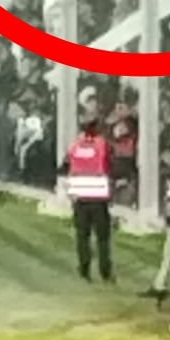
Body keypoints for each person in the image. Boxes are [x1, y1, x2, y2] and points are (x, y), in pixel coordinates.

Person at [62, 117, 114, 281]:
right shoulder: (102, 144)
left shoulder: (75, 146)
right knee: (103, 237)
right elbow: (108, 163)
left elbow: (65, 164)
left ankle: (84, 269)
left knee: (82, 235)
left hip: (80, 196)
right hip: (98, 196)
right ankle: (105, 270)